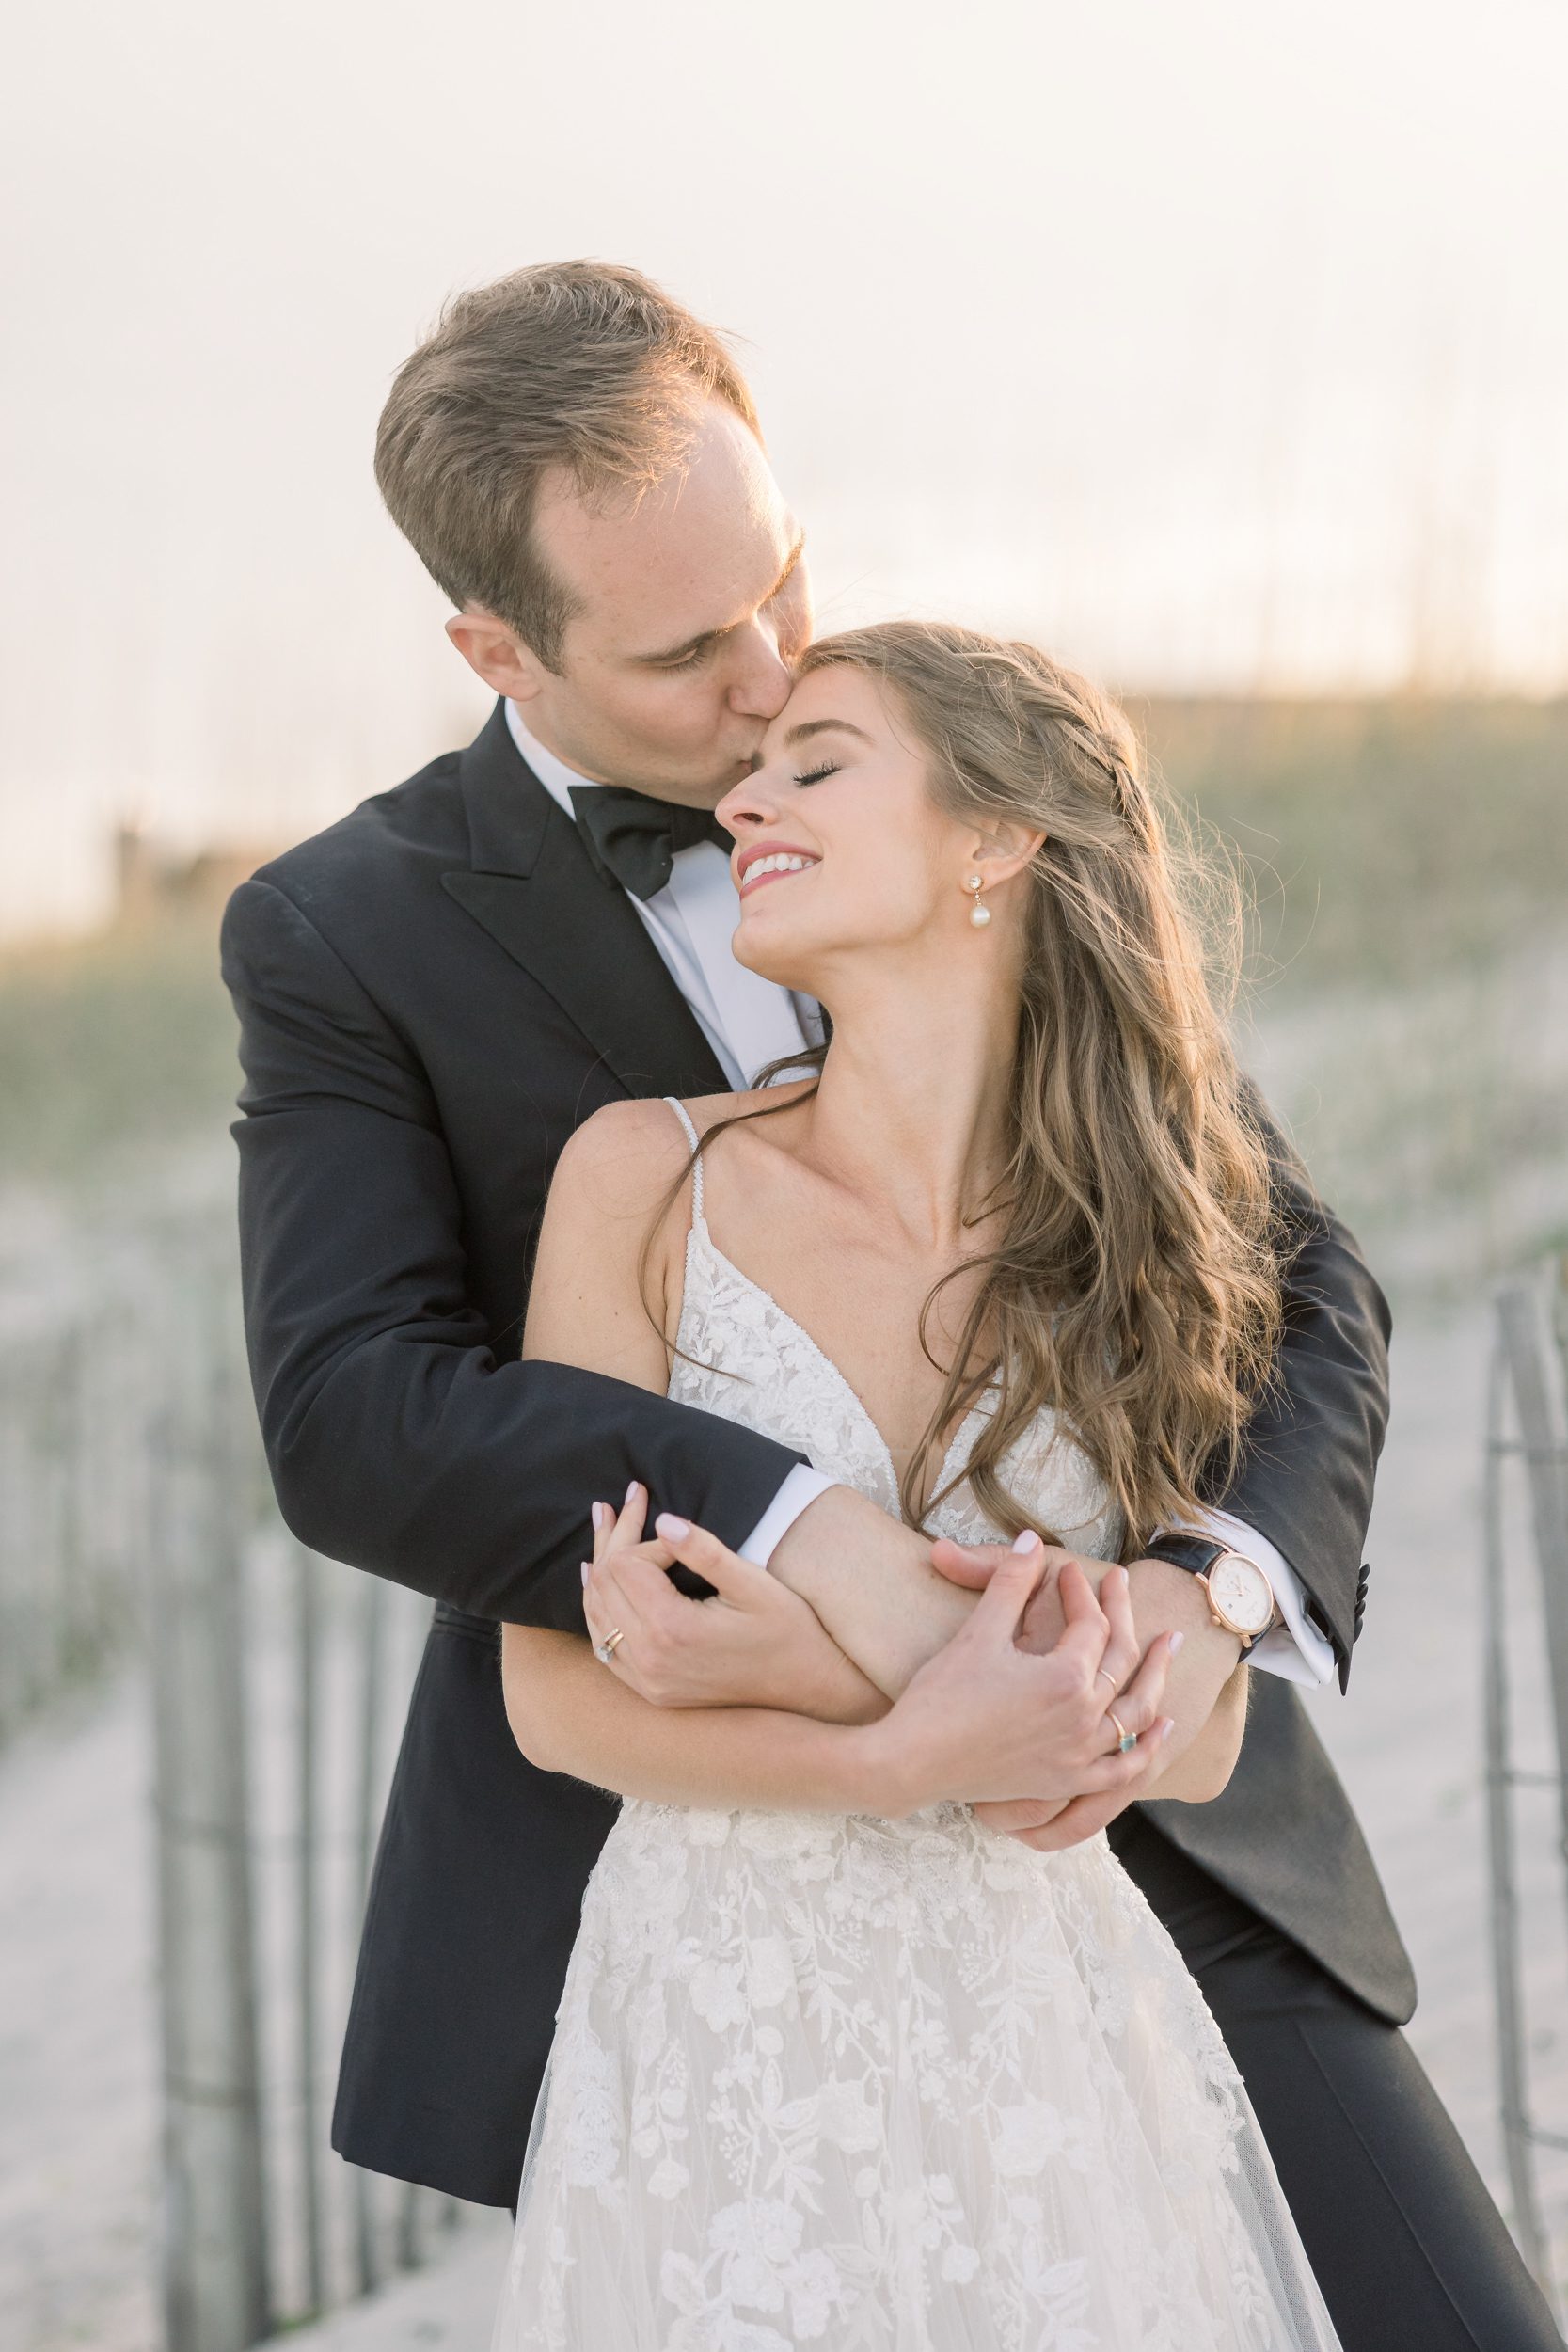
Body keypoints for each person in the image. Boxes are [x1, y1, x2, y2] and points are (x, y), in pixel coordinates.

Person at [219, 262, 1560, 2350]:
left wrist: (1199, 1600)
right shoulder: (344, 933)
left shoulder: (939, 759)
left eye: (785, 582)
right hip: (737, 1877)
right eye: (684, 651)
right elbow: (357, 1411)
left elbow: (1298, 1276)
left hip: (1169, 1803)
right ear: (496, 646)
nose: (768, 682)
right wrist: (803, 1536)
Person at [494, 619, 1346, 2347]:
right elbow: (553, 1700)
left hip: (1036, 2029)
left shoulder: (1139, 1246)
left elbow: (1198, 1732)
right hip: (717, 2014)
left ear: (996, 837)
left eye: (817, 763)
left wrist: (814, 1661)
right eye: (755, 772)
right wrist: (910, 1748)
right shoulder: (640, 1184)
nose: (746, 802)